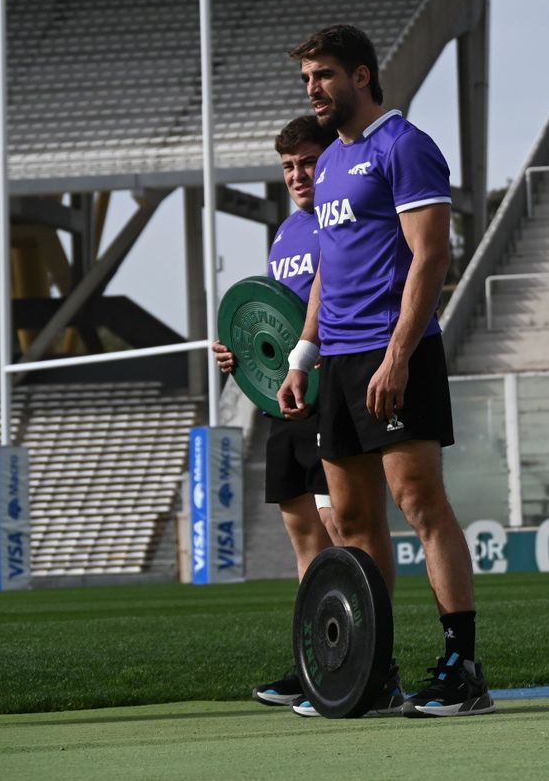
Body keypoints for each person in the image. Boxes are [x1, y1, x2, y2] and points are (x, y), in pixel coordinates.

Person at [278, 24, 492, 719]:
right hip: (337, 360)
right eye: (307, 77)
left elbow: (432, 256)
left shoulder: (405, 146)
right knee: (351, 516)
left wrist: (399, 353)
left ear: (362, 76)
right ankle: (374, 672)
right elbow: (325, 275)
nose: (313, 88)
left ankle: (463, 667)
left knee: (421, 505)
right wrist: (303, 356)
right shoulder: (333, 163)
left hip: (395, 350)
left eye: (325, 75)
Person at [215, 114, 342, 709]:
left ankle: (359, 657)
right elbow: (270, 322)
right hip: (283, 401)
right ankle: (315, 660)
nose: (298, 175)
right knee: (302, 534)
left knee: (340, 526)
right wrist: (236, 352)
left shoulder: (344, 223)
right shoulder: (287, 234)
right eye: (289, 167)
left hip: (330, 390)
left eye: (307, 163)